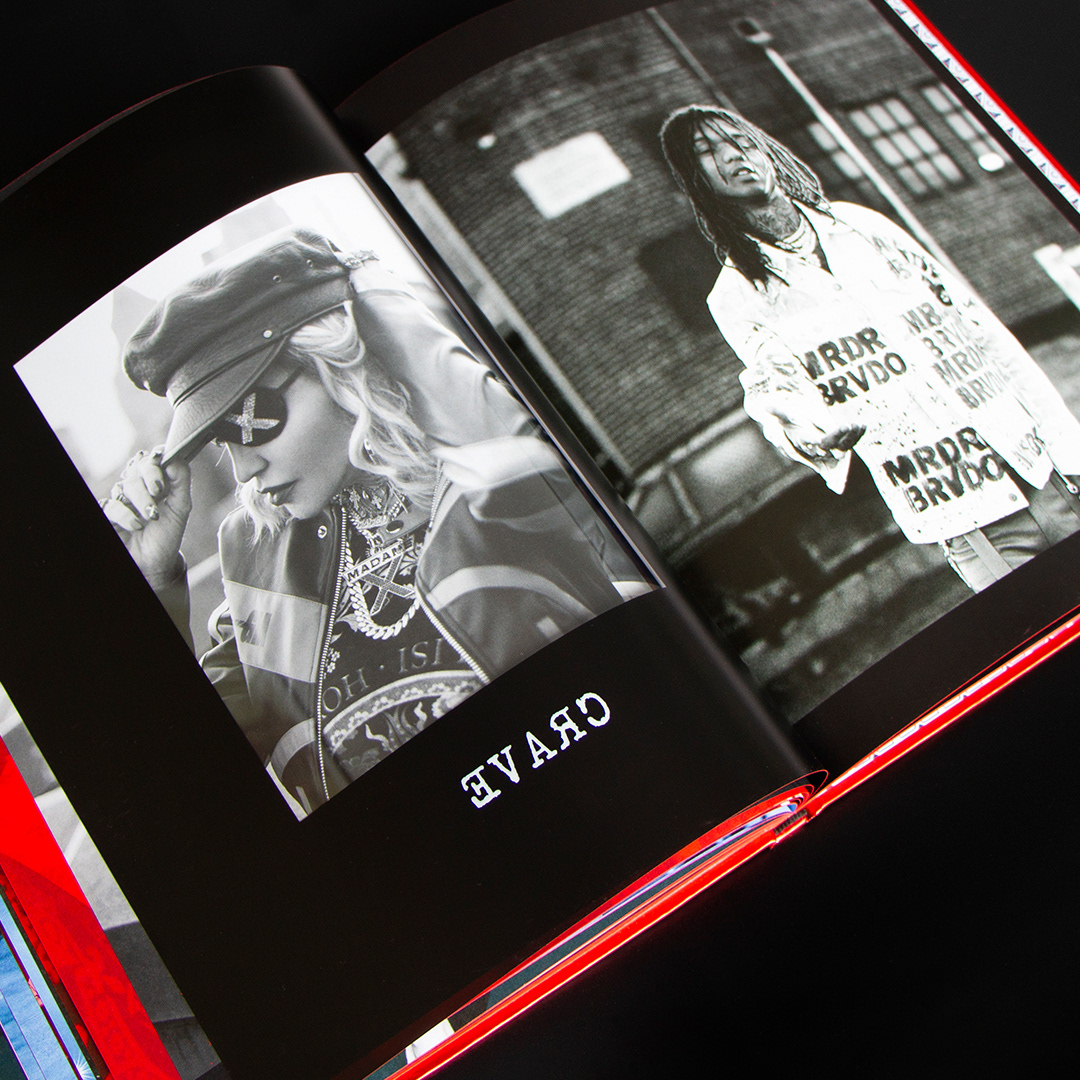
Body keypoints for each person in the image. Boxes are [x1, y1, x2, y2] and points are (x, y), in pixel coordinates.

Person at [102, 227, 645, 814]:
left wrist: (362, 290)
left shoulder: (478, 477)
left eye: (253, 419)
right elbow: (191, 774)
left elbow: (535, 478)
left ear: (338, 363)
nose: (244, 469)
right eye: (220, 439)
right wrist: (150, 586)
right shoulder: (252, 559)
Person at [660, 104, 1080, 592]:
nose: (734, 156)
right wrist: (814, 431)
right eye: (708, 151)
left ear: (767, 150)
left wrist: (1070, 450)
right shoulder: (738, 297)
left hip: (1045, 471)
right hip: (967, 514)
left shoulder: (863, 228)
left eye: (742, 141)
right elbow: (774, 394)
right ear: (695, 180)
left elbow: (981, 331)